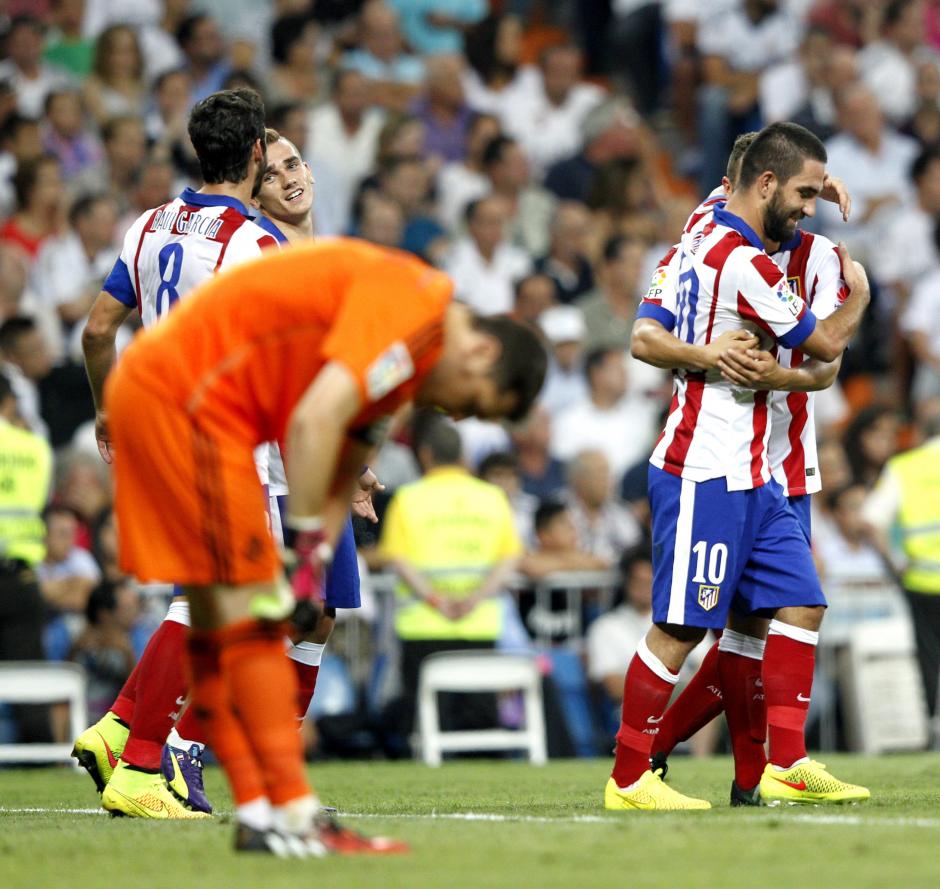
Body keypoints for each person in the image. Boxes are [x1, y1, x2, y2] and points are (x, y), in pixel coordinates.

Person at [103, 236, 544, 853]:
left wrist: (309, 571)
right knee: (251, 611)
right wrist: (308, 544)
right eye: (474, 403)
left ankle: (262, 814)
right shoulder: (414, 307)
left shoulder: (409, 359)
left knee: (241, 617)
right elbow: (314, 422)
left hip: (204, 406)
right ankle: (271, 807)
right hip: (190, 399)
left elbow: (344, 462)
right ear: (483, 351)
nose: (457, 413)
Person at [605, 122, 871, 811]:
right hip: (707, 463)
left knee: (800, 601)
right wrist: (859, 300)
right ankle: (631, 772)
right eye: (803, 192)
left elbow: (729, 188)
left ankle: (784, 763)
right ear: (765, 184)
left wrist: (803, 178)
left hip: (759, 471)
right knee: (682, 624)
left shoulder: (700, 224)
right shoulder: (747, 263)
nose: (810, 206)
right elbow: (821, 343)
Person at [71, 89, 289, 821]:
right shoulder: (252, 242)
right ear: (257, 153)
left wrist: (105, 407)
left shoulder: (148, 223)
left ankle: (117, 728)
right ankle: (139, 764)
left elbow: (99, 330)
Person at [378, 419, 524, 748]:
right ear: (462, 455)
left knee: (426, 725)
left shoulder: (408, 498)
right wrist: (474, 600)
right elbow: (509, 559)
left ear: (425, 454)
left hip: (423, 627)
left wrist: (436, 601)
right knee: (481, 725)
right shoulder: (491, 497)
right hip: (479, 624)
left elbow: (398, 560)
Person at [863, 402, 940, 718]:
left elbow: (870, 520)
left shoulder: (905, 466)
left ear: (922, 433)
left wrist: (896, 561)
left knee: (930, 657)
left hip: (921, 580)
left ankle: (935, 726)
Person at [0, 372, 53, 743]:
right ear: (9, 402)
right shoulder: (36, 448)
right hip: (21, 578)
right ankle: (41, 752)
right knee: (30, 675)